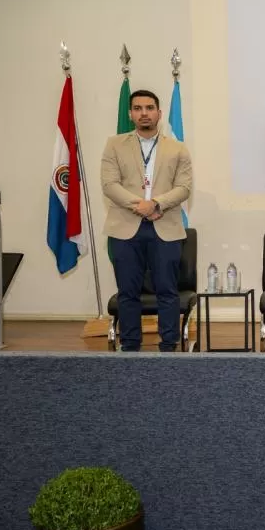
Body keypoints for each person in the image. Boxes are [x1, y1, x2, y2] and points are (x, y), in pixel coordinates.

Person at [101, 89, 193, 351]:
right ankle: (130, 348)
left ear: (159, 113)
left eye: (150, 108)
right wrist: (140, 206)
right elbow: (109, 184)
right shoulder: (114, 144)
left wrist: (156, 204)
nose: (144, 113)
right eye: (138, 108)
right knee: (128, 293)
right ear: (130, 114)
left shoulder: (177, 149)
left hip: (165, 227)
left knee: (167, 291)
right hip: (125, 229)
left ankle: (168, 348)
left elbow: (184, 187)